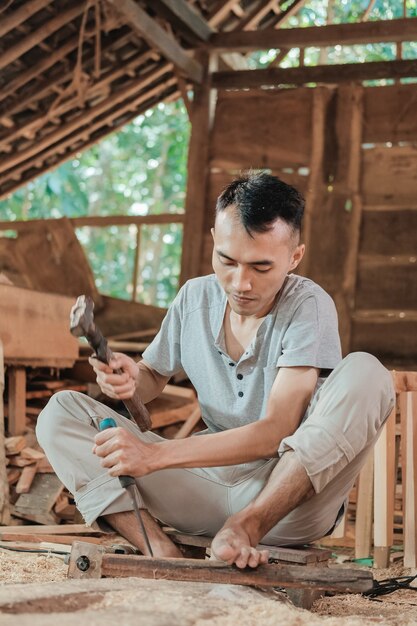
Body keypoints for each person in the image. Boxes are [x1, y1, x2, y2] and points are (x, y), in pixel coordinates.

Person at [37, 171, 395, 569]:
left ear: (294, 257)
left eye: (260, 267)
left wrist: (154, 456)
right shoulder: (194, 298)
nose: (240, 282)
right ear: (214, 240)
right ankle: (158, 548)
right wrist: (128, 378)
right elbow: (152, 378)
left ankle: (246, 527)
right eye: (227, 260)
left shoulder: (308, 307)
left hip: (283, 500)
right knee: (60, 413)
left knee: (368, 372)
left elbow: (275, 430)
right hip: (201, 487)